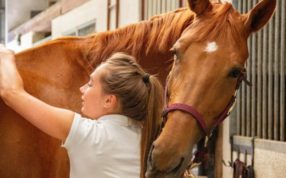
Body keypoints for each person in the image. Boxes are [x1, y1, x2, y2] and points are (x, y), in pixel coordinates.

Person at [0, 44, 164, 178]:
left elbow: (11, 93)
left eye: (91, 84)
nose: (82, 89)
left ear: (109, 101)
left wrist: (5, 54)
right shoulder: (149, 139)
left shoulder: (88, 135)